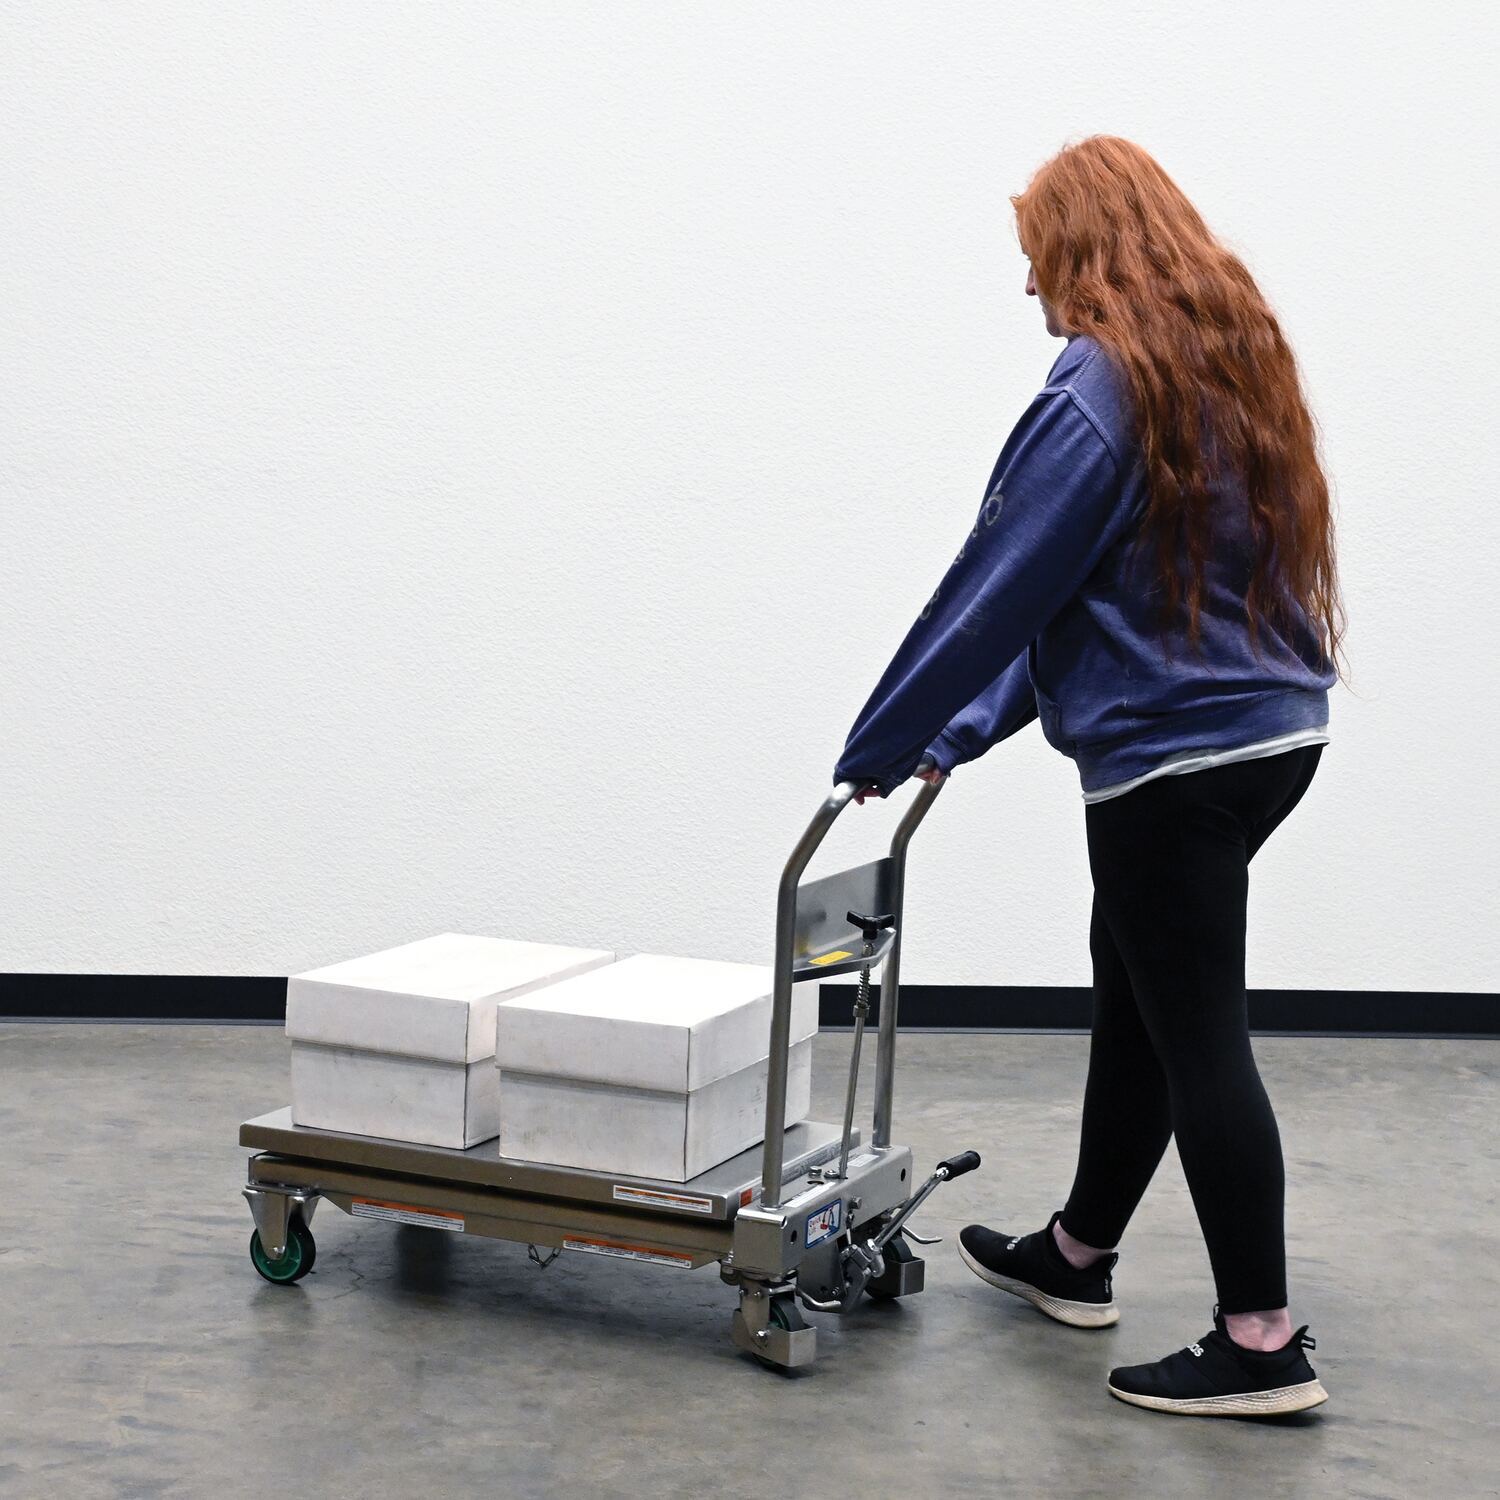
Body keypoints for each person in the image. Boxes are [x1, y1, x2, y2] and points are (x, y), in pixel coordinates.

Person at [833, 135, 1346, 1418]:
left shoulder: (1100, 388)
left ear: (1086, 249)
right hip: (1272, 738)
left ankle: (1261, 1341)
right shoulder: (1224, 362)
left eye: (1037, 257)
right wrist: (958, 729)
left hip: (1173, 765)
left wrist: (883, 736)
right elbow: (1104, 604)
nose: (1029, 286)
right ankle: (1075, 1256)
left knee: (1198, 1034)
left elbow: (1003, 581)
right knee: (1140, 999)